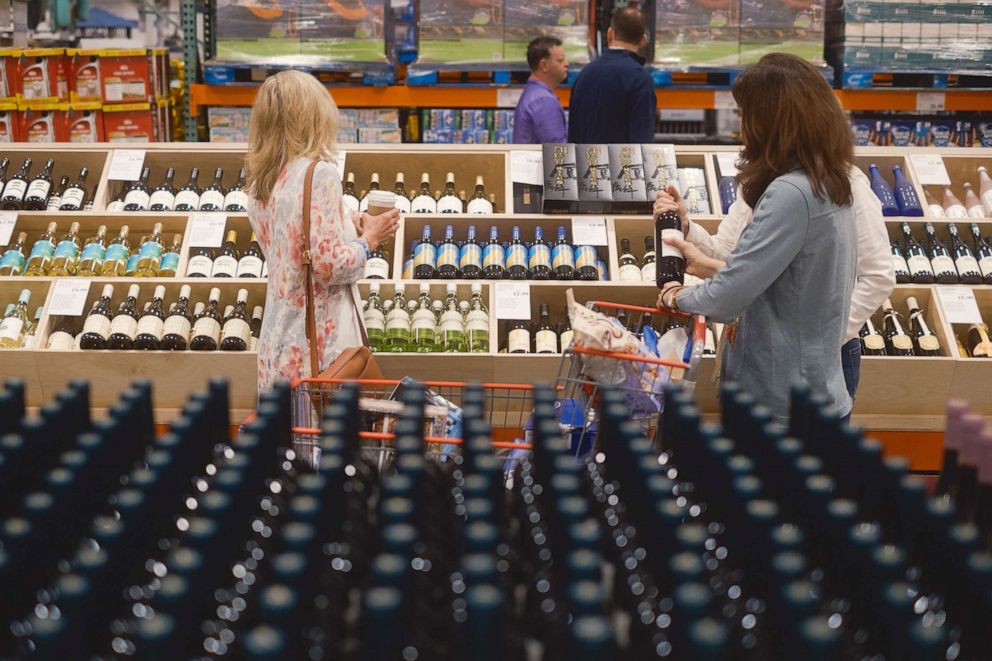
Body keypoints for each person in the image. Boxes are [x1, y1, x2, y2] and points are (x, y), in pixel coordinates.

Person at [657, 53, 859, 422]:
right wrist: (691, 233)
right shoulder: (827, 182)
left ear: (771, 121)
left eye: (744, 114)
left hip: (780, 406)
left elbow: (727, 298)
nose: (741, 127)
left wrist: (674, 296)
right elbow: (772, 278)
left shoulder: (791, 193)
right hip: (813, 395)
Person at [660, 165, 894, 401]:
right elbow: (735, 258)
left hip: (824, 361)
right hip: (757, 355)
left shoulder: (845, 182)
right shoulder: (760, 176)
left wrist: (821, 339)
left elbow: (877, 276)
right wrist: (685, 226)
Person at [246, 70, 400, 393]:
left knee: (286, 439)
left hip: (276, 344)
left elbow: (291, 250)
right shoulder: (320, 174)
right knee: (326, 438)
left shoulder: (261, 184)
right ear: (312, 117)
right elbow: (328, 266)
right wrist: (369, 240)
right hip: (318, 348)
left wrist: (347, 221)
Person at [567, 7, 655, 144]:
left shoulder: (585, 74)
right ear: (643, 40)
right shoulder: (640, 79)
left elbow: (573, 134)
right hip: (620, 164)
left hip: (585, 163)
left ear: (609, 33)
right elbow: (642, 142)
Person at [513, 36, 569, 144]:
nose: (567, 63)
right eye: (560, 60)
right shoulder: (544, 101)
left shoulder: (533, 94)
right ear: (544, 65)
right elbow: (558, 153)